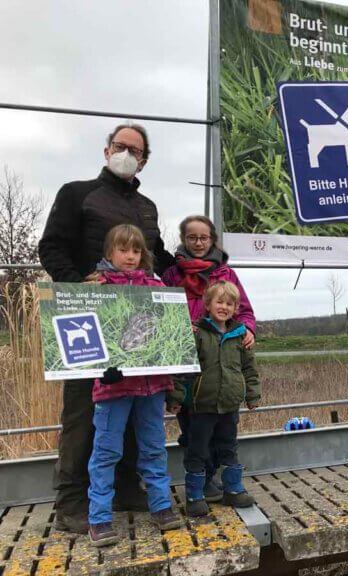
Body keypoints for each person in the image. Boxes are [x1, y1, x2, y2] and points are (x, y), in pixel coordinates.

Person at [38, 123, 175, 534]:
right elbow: (51, 246)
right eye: (120, 146)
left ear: (144, 160)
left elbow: (159, 256)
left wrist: (201, 261)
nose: (126, 154)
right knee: (84, 411)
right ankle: (71, 502)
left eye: (135, 150)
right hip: (88, 318)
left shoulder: (148, 207)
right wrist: (78, 281)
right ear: (106, 150)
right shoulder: (76, 193)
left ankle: (126, 489)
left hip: (136, 319)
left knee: (136, 404)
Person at [84, 225, 182, 546]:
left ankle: (162, 506)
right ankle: (98, 518)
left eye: (136, 250)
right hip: (114, 387)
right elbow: (85, 336)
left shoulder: (155, 286)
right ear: (109, 253)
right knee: (106, 450)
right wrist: (100, 367)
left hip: (151, 385)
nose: (130, 256)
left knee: (154, 447)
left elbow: (168, 336)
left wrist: (174, 369)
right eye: (123, 250)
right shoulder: (96, 287)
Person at [162, 215, 256, 502]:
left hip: (220, 354)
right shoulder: (171, 275)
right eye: (192, 237)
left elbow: (243, 309)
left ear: (212, 239)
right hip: (186, 356)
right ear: (184, 240)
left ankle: (213, 477)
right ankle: (200, 483)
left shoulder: (225, 274)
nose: (198, 243)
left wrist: (248, 329)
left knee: (223, 429)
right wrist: (179, 329)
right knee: (193, 426)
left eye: (204, 237)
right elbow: (161, 311)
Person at [167, 281, 261, 517]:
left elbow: (249, 370)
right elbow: (182, 369)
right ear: (207, 305)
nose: (224, 307)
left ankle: (233, 489)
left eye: (230, 303)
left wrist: (252, 395)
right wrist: (175, 397)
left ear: (236, 308)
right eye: (219, 302)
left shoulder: (240, 336)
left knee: (229, 448)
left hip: (229, 406)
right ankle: (195, 496)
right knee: (198, 451)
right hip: (201, 406)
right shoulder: (197, 333)